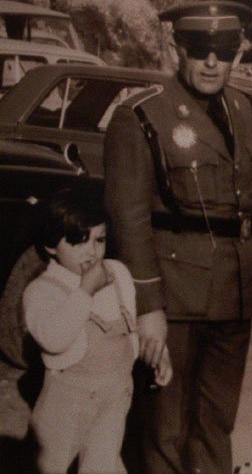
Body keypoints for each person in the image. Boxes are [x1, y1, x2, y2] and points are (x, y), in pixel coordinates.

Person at [103, 0, 252, 474]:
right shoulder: (141, 116)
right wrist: (148, 309)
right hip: (176, 294)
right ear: (177, 48)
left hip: (235, 290)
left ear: (236, 53)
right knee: (166, 426)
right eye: (200, 48)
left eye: (223, 50)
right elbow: (129, 221)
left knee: (217, 419)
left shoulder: (245, 109)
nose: (212, 62)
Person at [23, 187, 172, 474]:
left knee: (102, 463)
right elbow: (54, 339)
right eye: (79, 241)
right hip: (66, 402)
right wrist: (85, 291)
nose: (92, 251)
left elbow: (132, 324)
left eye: (100, 240)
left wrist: (157, 354)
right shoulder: (42, 291)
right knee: (51, 463)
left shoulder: (117, 273)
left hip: (115, 395)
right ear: (52, 245)